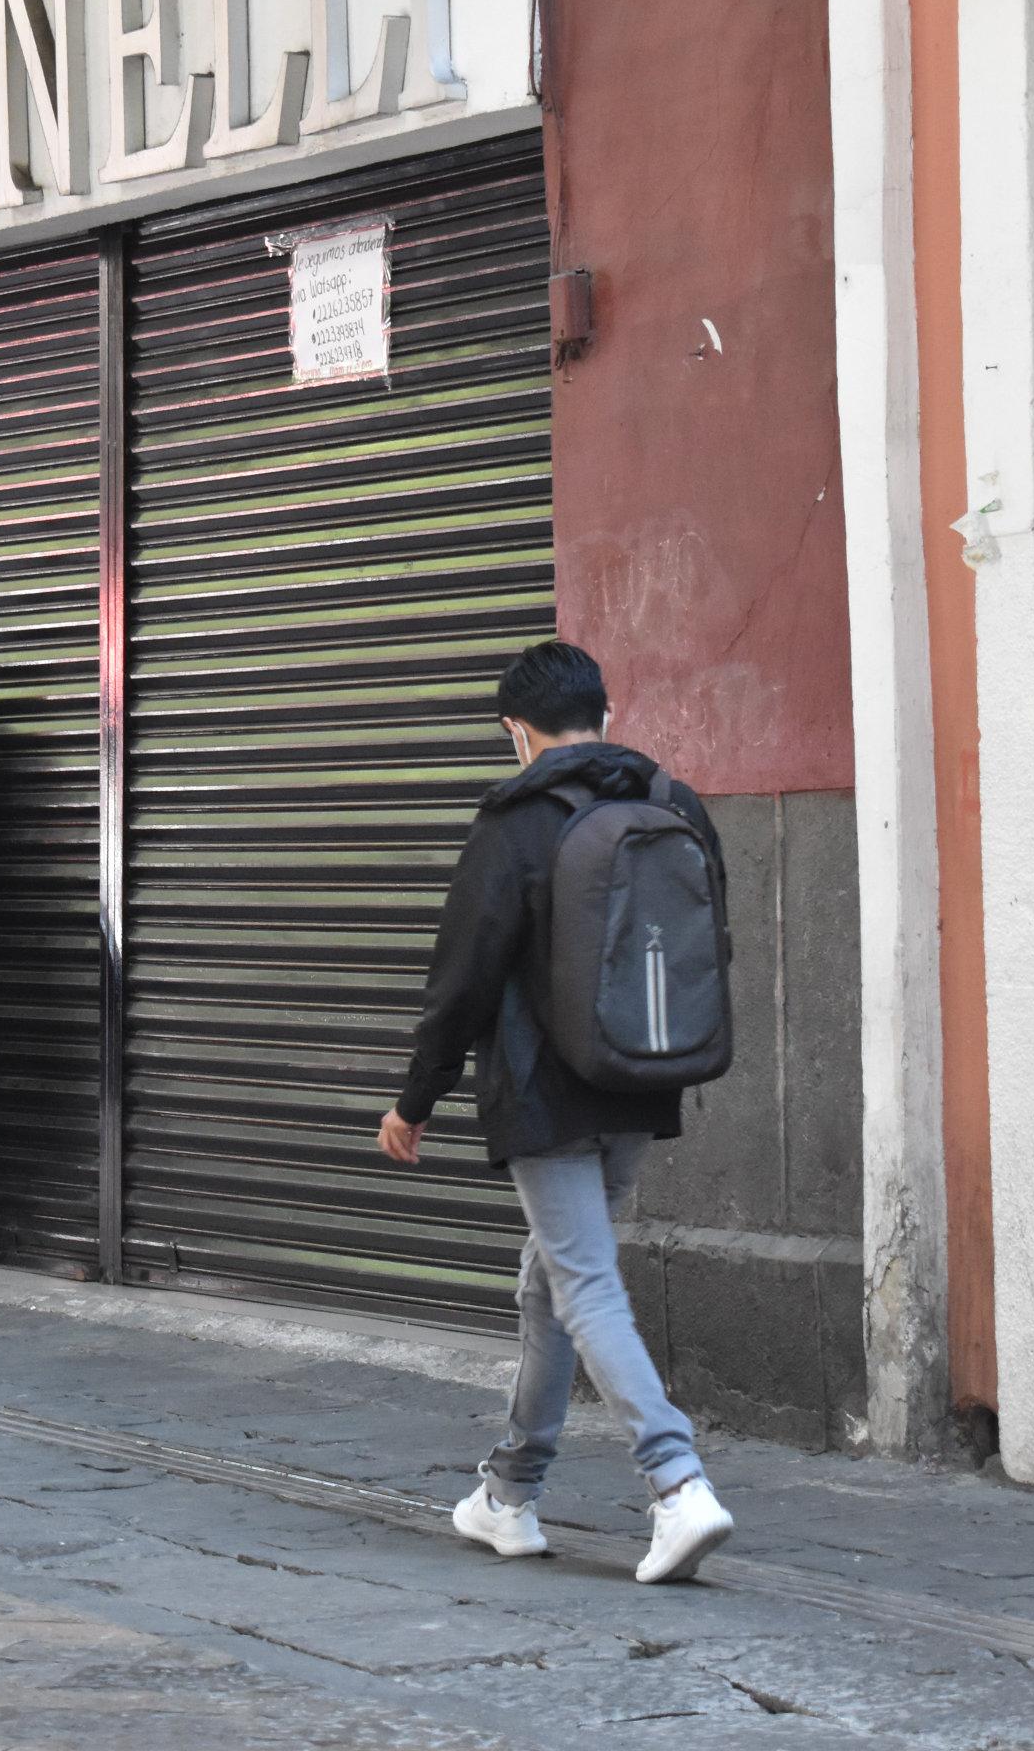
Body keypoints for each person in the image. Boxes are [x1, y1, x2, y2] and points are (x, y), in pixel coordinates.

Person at [379, 640, 737, 1586]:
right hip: (641, 1076)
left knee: (583, 1284)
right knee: (550, 1282)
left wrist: (415, 1099)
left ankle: (677, 1482)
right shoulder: (672, 802)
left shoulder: (515, 822)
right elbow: (713, 945)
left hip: (545, 1095)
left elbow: (460, 978)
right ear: (605, 715)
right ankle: (508, 1495)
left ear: (516, 731)